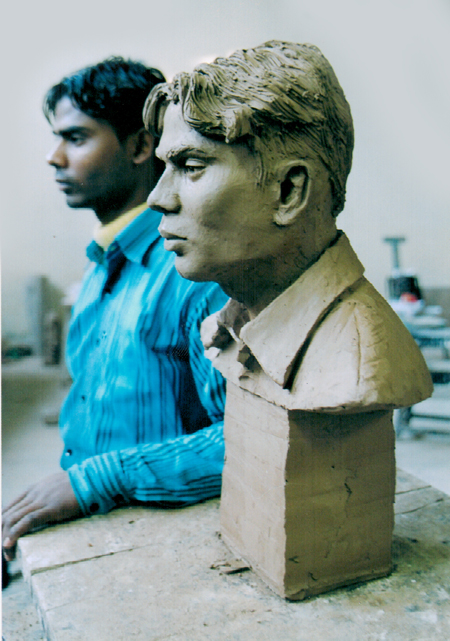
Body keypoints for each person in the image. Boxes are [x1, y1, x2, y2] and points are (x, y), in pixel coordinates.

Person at [2, 57, 227, 564]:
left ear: (141, 146)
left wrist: (93, 482)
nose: (54, 157)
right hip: (98, 526)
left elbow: (250, 440)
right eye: (57, 139)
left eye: (76, 138)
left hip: (166, 542)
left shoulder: (194, 273)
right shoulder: (100, 264)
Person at [144, 40, 432, 411]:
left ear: (288, 191)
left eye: (191, 166)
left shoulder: (358, 358)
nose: (157, 198)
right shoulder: (226, 329)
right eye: (165, 168)